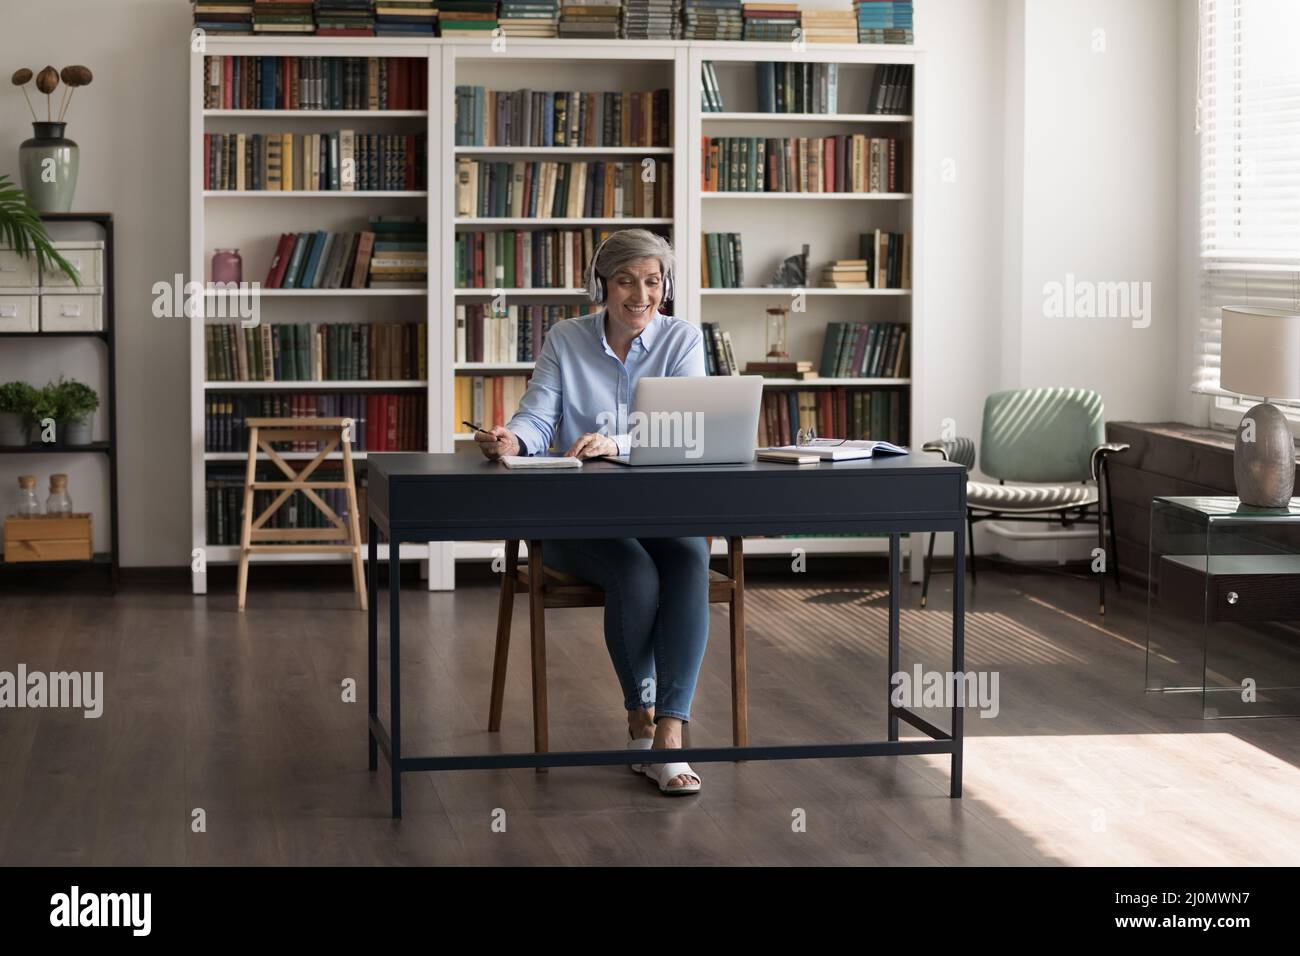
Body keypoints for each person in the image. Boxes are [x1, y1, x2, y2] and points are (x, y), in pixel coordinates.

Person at [474, 229, 709, 795]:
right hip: (574, 519)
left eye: (652, 281)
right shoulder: (566, 338)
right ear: (599, 285)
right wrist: (512, 440)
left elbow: (688, 432)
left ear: (665, 286)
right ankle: (640, 718)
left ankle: (669, 736)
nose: (640, 294)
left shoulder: (682, 340)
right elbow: (538, 418)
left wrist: (617, 445)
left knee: (690, 559)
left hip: (658, 516)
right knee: (634, 572)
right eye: (626, 280)